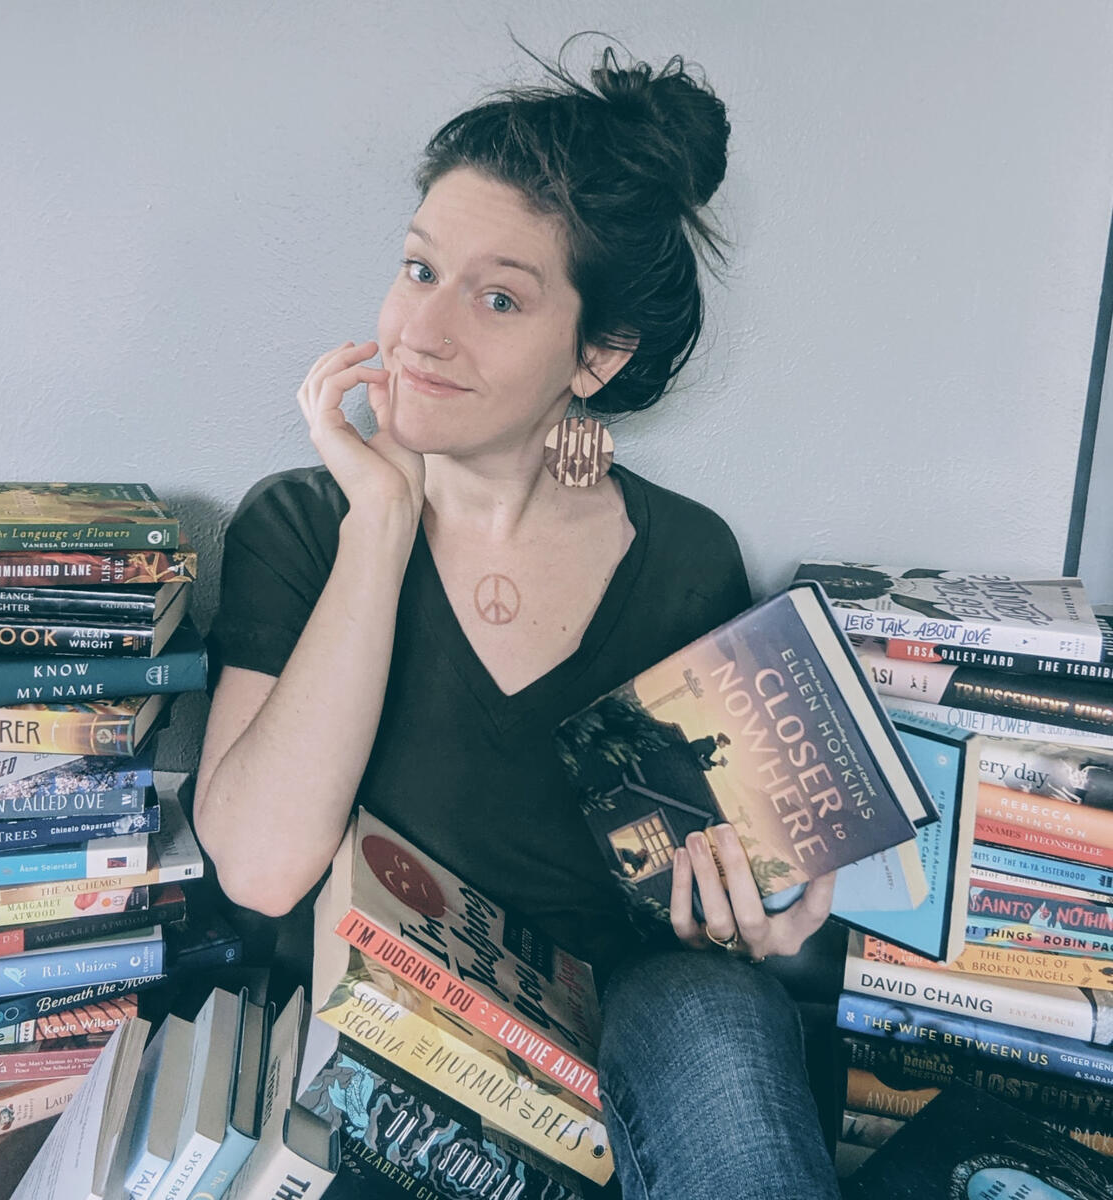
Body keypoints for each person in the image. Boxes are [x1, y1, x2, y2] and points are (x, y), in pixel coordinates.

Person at [195, 42, 841, 1200]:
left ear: (596, 355)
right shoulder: (302, 527)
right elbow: (259, 868)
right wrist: (382, 520)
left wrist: (771, 915)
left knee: (720, 1025)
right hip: (397, 1058)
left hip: (643, 1036)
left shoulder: (686, 555)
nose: (422, 332)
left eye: (498, 297)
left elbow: (730, 881)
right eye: (417, 269)